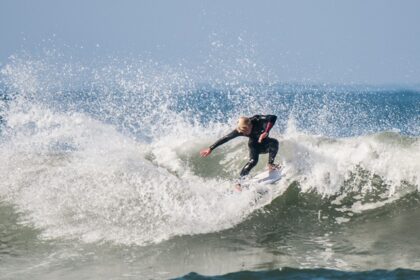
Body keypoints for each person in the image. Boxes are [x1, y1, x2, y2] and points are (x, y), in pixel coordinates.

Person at [200, 114, 280, 190]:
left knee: (274, 143)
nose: (244, 133)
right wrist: (211, 148)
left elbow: (273, 117)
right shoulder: (240, 130)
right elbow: (226, 138)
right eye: (242, 132)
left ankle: (271, 164)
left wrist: (266, 131)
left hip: (266, 143)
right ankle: (239, 182)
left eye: (245, 131)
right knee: (253, 161)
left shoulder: (257, 119)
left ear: (250, 125)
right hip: (254, 145)